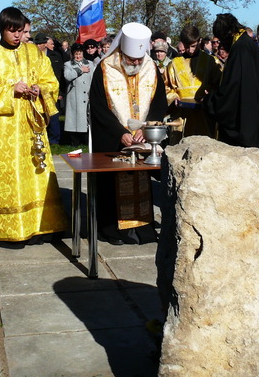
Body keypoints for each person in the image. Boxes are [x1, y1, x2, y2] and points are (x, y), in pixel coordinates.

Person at [0, 8, 67, 244]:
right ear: (2, 29)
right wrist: (9, 90)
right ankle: (10, 232)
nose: (16, 36)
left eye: (19, 31)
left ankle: (40, 226)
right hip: (2, 128)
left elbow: (50, 82)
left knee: (36, 174)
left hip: (30, 125)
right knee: (9, 178)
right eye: (11, 31)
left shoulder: (34, 53)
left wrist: (39, 90)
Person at [89, 22, 167, 245]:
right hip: (114, 140)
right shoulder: (105, 70)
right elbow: (98, 107)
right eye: (131, 59)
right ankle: (112, 229)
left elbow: (160, 102)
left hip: (142, 140)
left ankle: (141, 228)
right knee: (111, 183)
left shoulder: (151, 69)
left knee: (141, 180)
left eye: (139, 59)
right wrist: (119, 133)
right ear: (122, 52)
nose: (136, 63)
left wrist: (147, 127)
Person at [206, 13, 259, 148]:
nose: (222, 45)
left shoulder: (241, 48)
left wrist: (211, 101)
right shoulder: (245, 42)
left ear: (228, 34)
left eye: (222, 39)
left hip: (246, 123)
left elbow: (232, 89)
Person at [165, 24, 221, 143]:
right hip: (182, 117)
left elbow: (218, 84)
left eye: (193, 46)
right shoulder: (174, 64)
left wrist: (209, 95)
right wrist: (173, 97)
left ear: (199, 41)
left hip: (204, 115)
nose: (190, 50)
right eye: (187, 46)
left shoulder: (211, 61)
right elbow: (166, 88)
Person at [63, 42, 94, 146]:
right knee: (75, 119)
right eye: (76, 54)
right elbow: (68, 76)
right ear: (73, 54)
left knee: (86, 119)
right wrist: (80, 70)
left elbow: (93, 78)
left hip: (87, 95)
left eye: (80, 53)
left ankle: (86, 141)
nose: (78, 56)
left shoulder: (90, 63)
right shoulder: (68, 64)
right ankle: (74, 141)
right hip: (74, 96)